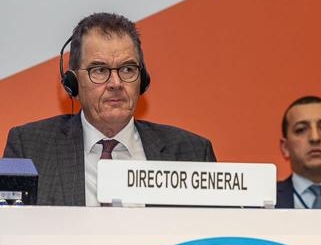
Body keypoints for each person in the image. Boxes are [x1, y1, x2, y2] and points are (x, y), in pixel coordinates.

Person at [3, 12, 215, 206]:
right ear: (72, 83)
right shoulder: (30, 148)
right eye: (100, 70)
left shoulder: (192, 153)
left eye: (127, 69)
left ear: (142, 80)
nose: (116, 83)